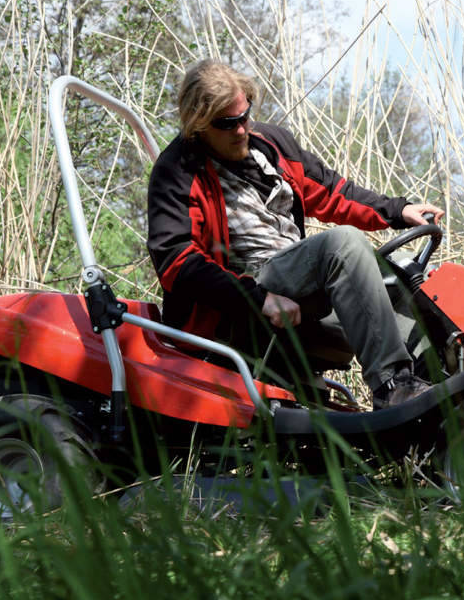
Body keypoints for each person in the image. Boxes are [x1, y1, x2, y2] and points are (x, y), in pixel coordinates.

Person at [147, 59, 445, 409]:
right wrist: (258, 299)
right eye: (227, 124)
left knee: (402, 284)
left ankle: (442, 397)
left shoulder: (272, 146)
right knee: (343, 244)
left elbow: (334, 192)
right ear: (199, 124)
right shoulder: (177, 172)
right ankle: (392, 387)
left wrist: (396, 211)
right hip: (243, 298)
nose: (242, 129)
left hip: (301, 284)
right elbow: (177, 264)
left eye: (245, 115)